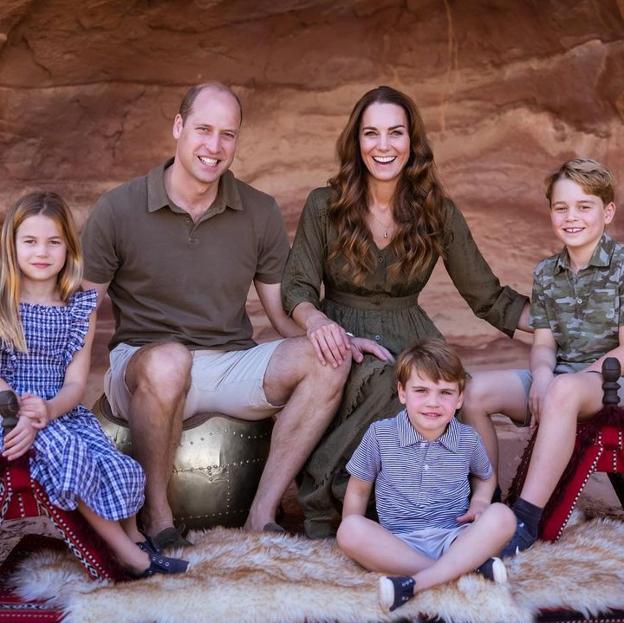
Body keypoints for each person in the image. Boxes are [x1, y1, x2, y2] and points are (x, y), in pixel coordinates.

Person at [80, 82, 359, 547]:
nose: (214, 146)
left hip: (228, 363)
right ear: (178, 127)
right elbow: (81, 312)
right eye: (203, 130)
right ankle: (159, 518)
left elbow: (280, 310)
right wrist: (60, 390)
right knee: (169, 361)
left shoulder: (259, 210)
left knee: (328, 360)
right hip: (144, 365)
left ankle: (262, 513)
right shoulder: (118, 208)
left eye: (227, 134)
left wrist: (327, 334)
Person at [282, 85, 530, 537]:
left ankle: (460, 511)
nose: (383, 146)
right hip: (343, 335)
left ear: (411, 142)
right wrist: (317, 322)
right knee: (388, 380)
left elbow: (486, 295)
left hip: (413, 331)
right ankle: (324, 500)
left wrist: (556, 324)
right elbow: (296, 286)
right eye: (371, 133)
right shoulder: (324, 204)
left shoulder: (436, 211)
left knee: (443, 389)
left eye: (395, 133)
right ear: (356, 142)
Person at [0, 192, 188, 577]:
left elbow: (74, 382)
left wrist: (49, 410)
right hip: (7, 409)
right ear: (12, 245)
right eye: (30, 241)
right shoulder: (3, 303)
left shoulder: (79, 306)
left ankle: (135, 537)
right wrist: (19, 411)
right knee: (66, 450)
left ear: (69, 248)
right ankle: (130, 556)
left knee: (115, 462)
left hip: (59, 410)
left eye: (54, 242)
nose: (42, 252)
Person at [461, 158, 623, 556]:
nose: (572, 217)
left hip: (611, 380)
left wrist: (564, 385)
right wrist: (544, 376)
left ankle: (525, 520)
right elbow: (545, 343)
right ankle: (489, 497)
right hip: (564, 379)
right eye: (561, 207)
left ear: (607, 212)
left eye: (584, 207)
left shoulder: (621, 267)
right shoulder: (547, 273)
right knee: (474, 392)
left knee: (564, 391)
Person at [336, 339, 516, 612]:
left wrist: (480, 504)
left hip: (454, 539)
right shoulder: (380, 435)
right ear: (402, 393)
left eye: (445, 392)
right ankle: (463, 574)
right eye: (421, 390)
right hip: (397, 543)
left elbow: (485, 477)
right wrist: (354, 537)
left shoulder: (467, 439)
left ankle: (415, 584)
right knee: (349, 529)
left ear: (460, 399)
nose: (433, 402)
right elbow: (359, 488)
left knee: (503, 516)